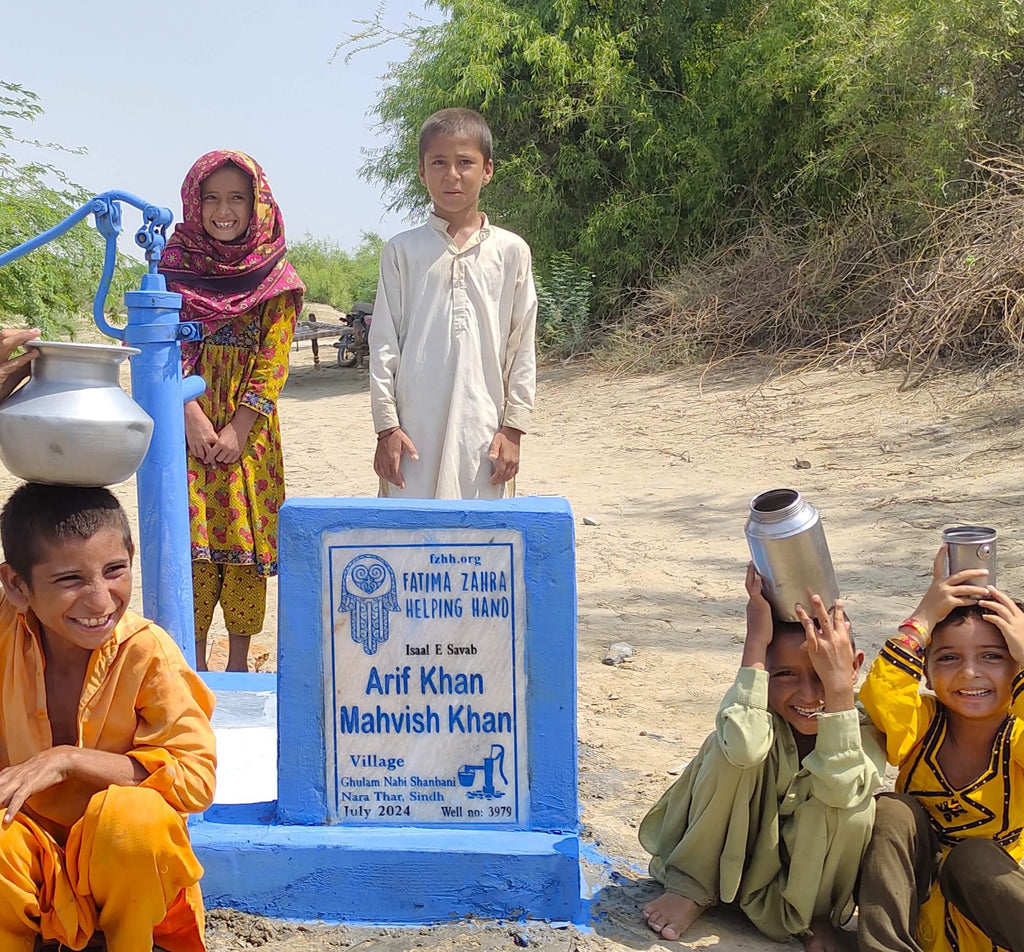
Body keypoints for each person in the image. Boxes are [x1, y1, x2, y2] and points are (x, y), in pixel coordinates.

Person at [0, 482, 216, 952]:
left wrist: (69, 760)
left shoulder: (146, 651)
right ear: (17, 586)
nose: (100, 601)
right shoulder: (7, 631)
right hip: (28, 866)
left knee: (133, 819)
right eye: (70, 580)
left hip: (126, 885)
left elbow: (196, 779)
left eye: (115, 570)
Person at [639, 564, 884, 952]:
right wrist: (755, 642)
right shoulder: (754, 715)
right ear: (764, 672)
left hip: (793, 887)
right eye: (784, 673)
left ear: (853, 667)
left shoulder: (865, 728)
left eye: (821, 674)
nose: (807, 695)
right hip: (724, 858)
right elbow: (744, 748)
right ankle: (692, 886)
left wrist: (838, 696)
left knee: (855, 805)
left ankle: (812, 917)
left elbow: (841, 790)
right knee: (730, 750)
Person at [160, 150, 304, 672]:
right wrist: (191, 415)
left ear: (257, 204)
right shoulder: (171, 269)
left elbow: (273, 359)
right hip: (186, 430)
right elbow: (160, 350)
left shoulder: (277, 277)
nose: (224, 210)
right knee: (191, 548)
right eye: (212, 198)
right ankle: (193, 668)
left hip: (250, 435)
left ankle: (239, 665)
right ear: (194, 204)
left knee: (244, 548)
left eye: (237, 198)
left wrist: (240, 426)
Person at [858, 546, 1024, 952]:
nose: (970, 673)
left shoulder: (1017, 736)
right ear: (927, 673)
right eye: (948, 658)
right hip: (920, 909)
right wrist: (922, 619)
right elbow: (882, 696)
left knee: (973, 857)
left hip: (994, 918)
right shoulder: (922, 723)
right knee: (892, 810)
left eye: (993, 657)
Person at [369, 107, 537, 499]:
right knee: (411, 544)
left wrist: (513, 428)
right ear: (421, 172)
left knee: (481, 543)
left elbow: (521, 346)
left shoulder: (511, 251)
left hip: (484, 431)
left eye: (465, 162)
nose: (452, 175)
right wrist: (386, 427)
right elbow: (383, 346)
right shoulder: (401, 251)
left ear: (488, 170)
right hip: (412, 434)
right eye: (439, 162)